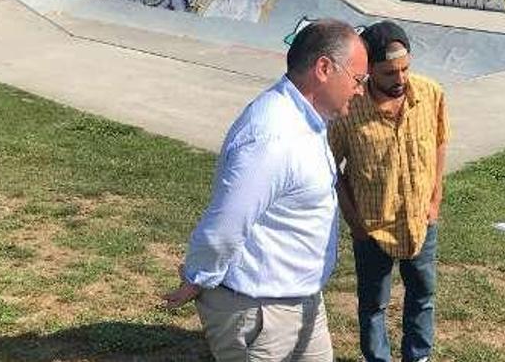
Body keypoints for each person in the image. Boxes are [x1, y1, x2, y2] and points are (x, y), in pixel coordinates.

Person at [161, 19, 369, 362]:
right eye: (358, 79)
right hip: (260, 313)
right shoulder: (272, 135)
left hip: (302, 303)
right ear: (324, 68)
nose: (360, 90)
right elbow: (225, 227)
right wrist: (199, 276)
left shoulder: (308, 122)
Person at [328, 21, 448, 362]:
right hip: (372, 226)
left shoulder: (431, 94)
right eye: (388, 73)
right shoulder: (348, 110)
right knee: (373, 304)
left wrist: (435, 199)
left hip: (421, 220)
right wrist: (355, 222)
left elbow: (440, 141)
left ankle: (418, 357)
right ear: (367, 70)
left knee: (423, 295)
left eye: (405, 69)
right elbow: (329, 165)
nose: (400, 79)